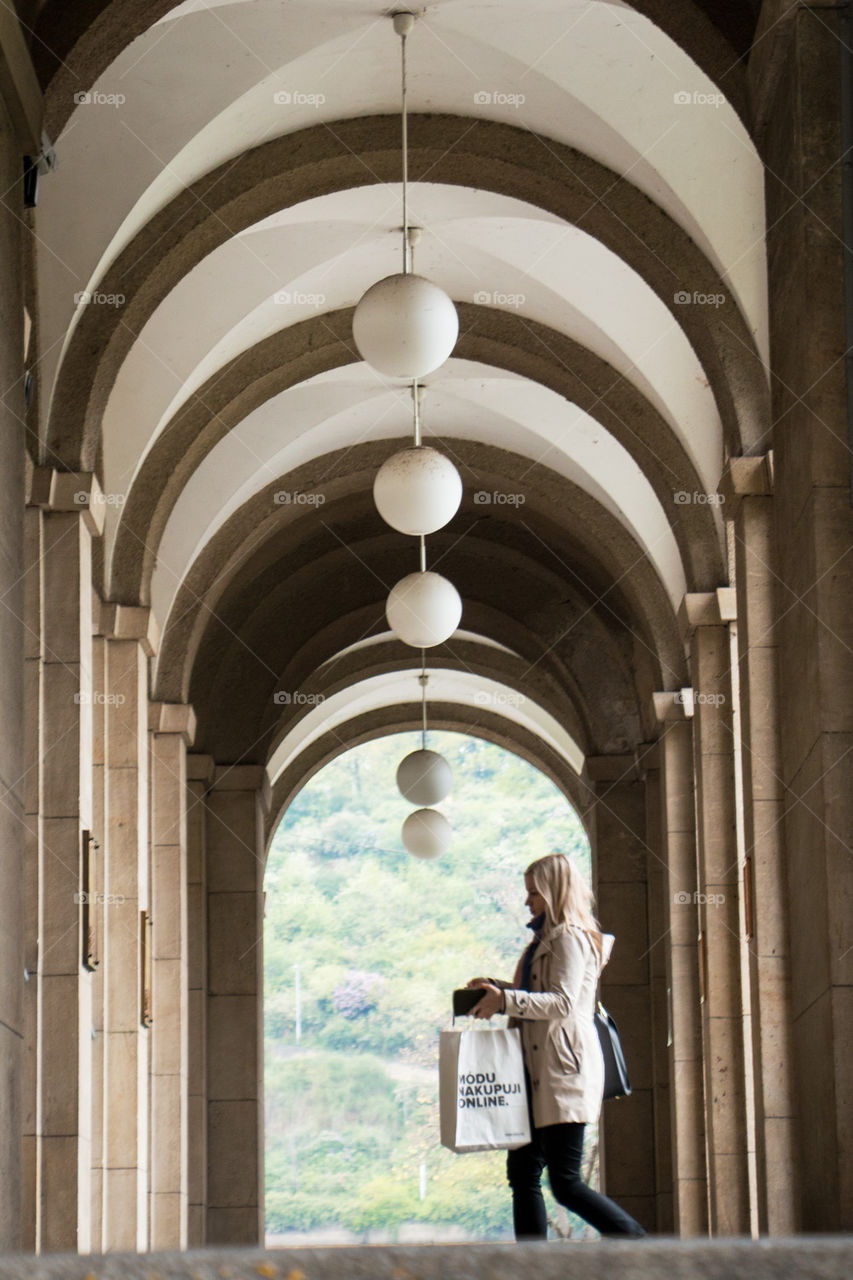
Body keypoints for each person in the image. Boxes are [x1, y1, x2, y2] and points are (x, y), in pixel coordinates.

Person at [467, 852, 646, 1240]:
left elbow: (563, 1003)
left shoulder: (568, 937)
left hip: (561, 1071)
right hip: (534, 1073)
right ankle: (534, 1269)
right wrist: (499, 991)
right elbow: (539, 995)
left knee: (564, 1182)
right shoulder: (547, 938)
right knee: (523, 1174)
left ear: (553, 891)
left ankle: (638, 1244)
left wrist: (507, 1000)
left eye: (533, 893)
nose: (527, 901)